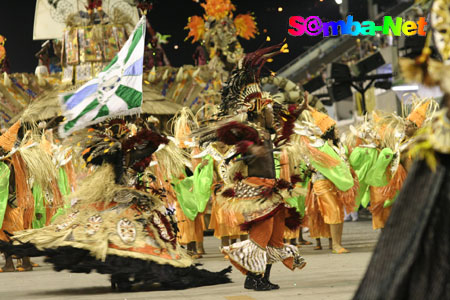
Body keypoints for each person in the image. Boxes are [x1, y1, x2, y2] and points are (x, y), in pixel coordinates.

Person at [0, 119, 231, 291]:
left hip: (130, 202)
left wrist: (140, 130)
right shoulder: (109, 151)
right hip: (110, 202)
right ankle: (119, 275)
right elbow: (95, 160)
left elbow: (153, 145)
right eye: (117, 131)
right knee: (111, 239)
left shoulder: (131, 152)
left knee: (137, 240)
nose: (120, 133)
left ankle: (124, 274)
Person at [193, 45, 307, 291]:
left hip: (273, 190)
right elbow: (232, 148)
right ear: (256, 109)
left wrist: (297, 111)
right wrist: (248, 151)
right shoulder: (250, 133)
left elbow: (287, 122)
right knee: (261, 237)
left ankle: (263, 277)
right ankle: (252, 278)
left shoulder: (267, 133)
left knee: (275, 239)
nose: (271, 112)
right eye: (267, 109)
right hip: (256, 191)